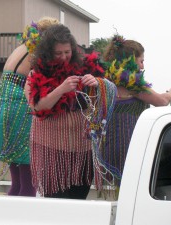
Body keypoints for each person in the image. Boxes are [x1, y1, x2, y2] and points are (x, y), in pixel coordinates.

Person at [24, 24, 117, 199]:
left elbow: (109, 94)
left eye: (67, 52)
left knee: (79, 199)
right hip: (51, 149)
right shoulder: (35, 73)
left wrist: (98, 83)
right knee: (56, 200)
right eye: (58, 54)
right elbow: (37, 106)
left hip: (82, 149)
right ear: (47, 52)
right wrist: (61, 89)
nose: (64, 57)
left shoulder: (85, 68)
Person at [0, 17, 60, 197]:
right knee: (28, 182)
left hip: (3, 106)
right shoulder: (39, 51)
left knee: (18, 181)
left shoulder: (22, 47)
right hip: (20, 106)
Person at [102, 35, 171, 190]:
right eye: (141, 61)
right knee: (132, 188)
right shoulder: (131, 83)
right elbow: (161, 101)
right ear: (130, 60)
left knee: (119, 190)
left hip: (111, 145)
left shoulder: (110, 81)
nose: (143, 66)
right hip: (128, 144)